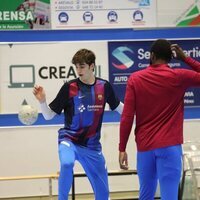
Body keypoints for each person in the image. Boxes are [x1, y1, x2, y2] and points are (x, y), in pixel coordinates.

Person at [33, 48, 123, 200]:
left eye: (82, 66)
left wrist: (141, 113)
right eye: (76, 66)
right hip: (69, 140)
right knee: (67, 163)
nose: (78, 70)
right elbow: (48, 116)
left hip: (92, 146)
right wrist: (42, 101)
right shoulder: (69, 87)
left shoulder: (104, 86)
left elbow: (121, 109)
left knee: (103, 195)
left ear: (92, 66)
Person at [118, 39, 200, 200]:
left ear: (152, 55)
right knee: (169, 196)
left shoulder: (135, 79)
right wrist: (185, 58)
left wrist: (122, 147)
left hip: (145, 148)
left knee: (146, 195)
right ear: (171, 57)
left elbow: (127, 117)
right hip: (170, 147)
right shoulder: (179, 76)